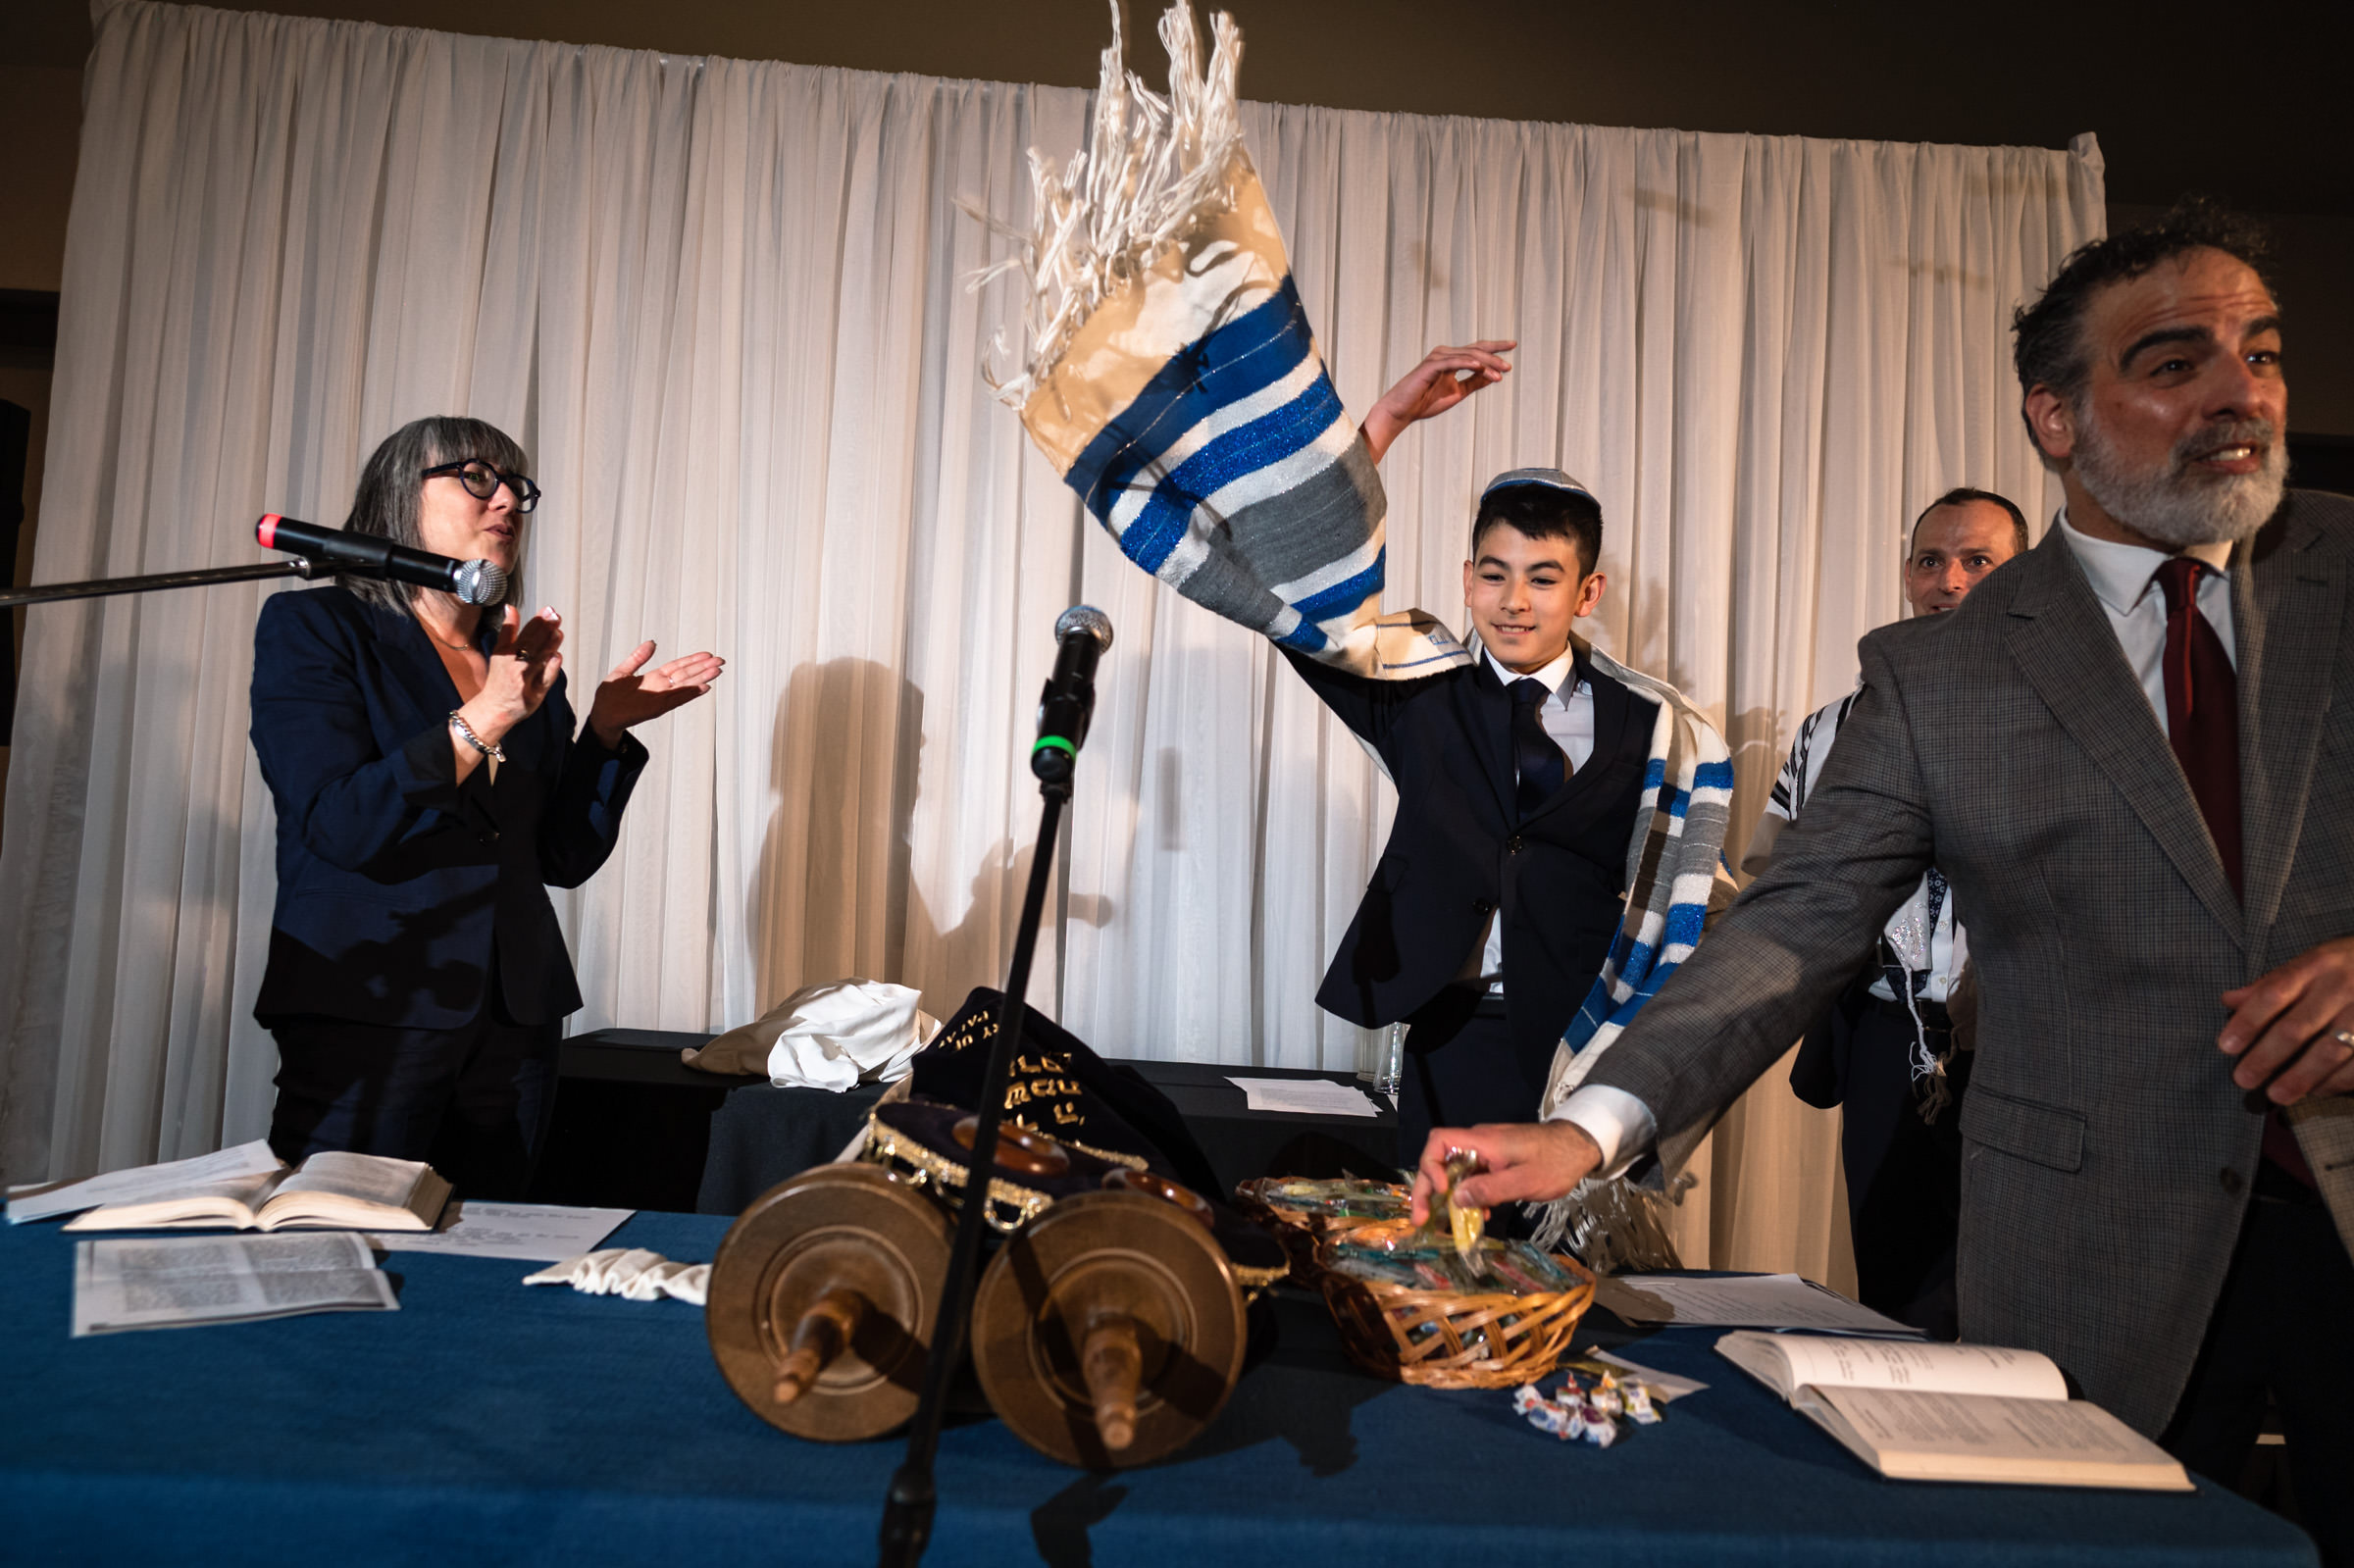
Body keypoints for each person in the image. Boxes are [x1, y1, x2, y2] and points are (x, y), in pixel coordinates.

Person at [1409, 201, 2354, 1560]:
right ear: (2056, 417)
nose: (2239, 392)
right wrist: (1593, 1126)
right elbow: (1794, 927)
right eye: (2173, 362)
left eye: (2259, 351)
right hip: (2093, 1263)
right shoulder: (1938, 675)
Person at [1289, 342, 1733, 1185]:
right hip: (1444, 1030)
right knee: (1438, 1264)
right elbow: (1305, 596)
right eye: (1494, 576)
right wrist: (1385, 422)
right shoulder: (1416, 687)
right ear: (1466, 580)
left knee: (1557, 1283)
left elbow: (1680, 887)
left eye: (1542, 578)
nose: (1515, 601)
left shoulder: (1656, 727)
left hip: (1583, 1041)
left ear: (1587, 593)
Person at [248, 417, 723, 1198]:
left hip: (515, 1017)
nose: (506, 499)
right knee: (340, 1241)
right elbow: (338, 822)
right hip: (371, 1010)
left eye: (516, 487)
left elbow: (559, 858)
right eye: (475, 478)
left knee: (493, 1254)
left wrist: (603, 731)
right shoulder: (318, 628)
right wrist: (484, 719)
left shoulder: (525, 668)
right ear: (401, 496)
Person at [1747, 486, 2029, 1337]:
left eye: (1979, 560)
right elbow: (1778, 871)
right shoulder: (1833, 727)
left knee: (2010, 1289)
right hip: (1883, 1031)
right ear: (1906, 575)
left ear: (2027, 578)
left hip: (2024, 1036)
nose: (1950, 580)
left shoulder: (2060, 724)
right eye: (1930, 560)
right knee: (1896, 1283)